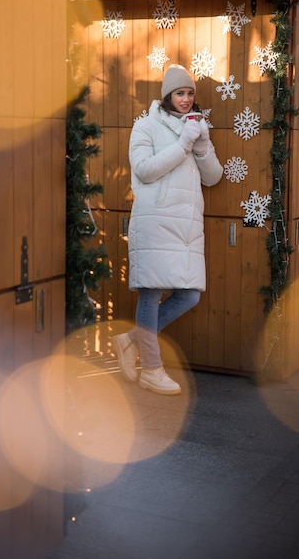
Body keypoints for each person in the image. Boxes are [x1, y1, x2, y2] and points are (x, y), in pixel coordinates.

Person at [112, 64, 223, 395]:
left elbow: (213, 177)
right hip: (155, 221)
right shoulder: (145, 127)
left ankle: (130, 340)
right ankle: (151, 369)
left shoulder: (196, 127)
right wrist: (183, 145)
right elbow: (145, 171)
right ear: (167, 96)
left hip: (185, 229)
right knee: (151, 291)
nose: (186, 100)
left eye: (190, 93)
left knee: (189, 295)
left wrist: (202, 146)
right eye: (180, 93)